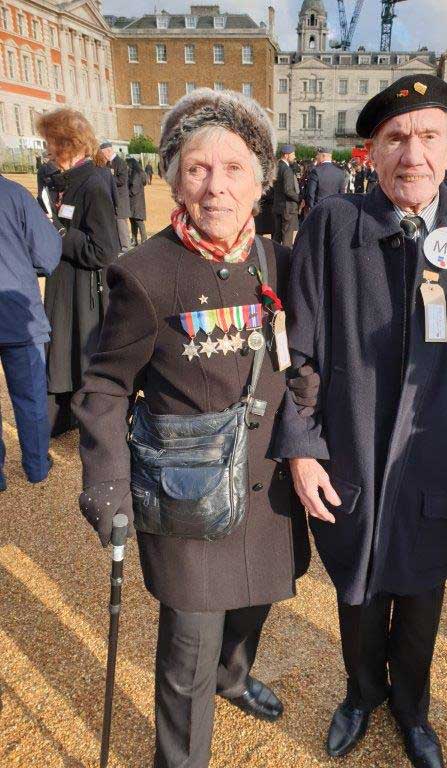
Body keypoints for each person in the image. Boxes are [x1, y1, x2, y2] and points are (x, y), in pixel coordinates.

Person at [274, 73, 447, 768]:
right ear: (371, 154)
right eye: (394, 138)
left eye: (426, 136)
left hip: (439, 465)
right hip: (350, 456)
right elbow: (301, 352)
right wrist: (300, 449)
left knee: (421, 595)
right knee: (356, 589)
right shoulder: (333, 226)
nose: (411, 153)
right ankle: (360, 694)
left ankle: (412, 708)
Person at [72, 88, 310, 768]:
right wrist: (108, 488)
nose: (215, 185)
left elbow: (304, 363)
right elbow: (106, 385)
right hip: (187, 491)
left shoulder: (279, 262)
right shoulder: (142, 275)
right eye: (197, 168)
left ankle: (234, 679)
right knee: (186, 653)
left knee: (261, 596)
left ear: (261, 182)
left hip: (266, 485)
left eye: (233, 168)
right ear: (173, 178)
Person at [36, 109, 121, 437]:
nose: (48, 151)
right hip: (63, 284)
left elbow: (104, 251)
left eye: (52, 143)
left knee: (80, 355)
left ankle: (90, 422)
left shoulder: (94, 182)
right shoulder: (65, 179)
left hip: (84, 291)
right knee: (60, 351)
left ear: (68, 144)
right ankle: (63, 419)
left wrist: (57, 230)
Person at [0, 176, 62, 492]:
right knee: (31, 398)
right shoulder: (14, 195)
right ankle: (37, 466)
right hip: (17, 310)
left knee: (31, 397)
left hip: (16, 311)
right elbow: (48, 253)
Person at [100, 141, 131, 251]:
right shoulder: (108, 163)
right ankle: (119, 247)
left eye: (103, 154)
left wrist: (108, 177)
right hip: (112, 199)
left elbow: (122, 180)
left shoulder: (120, 162)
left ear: (109, 151)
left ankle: (126, 248)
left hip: (121, 200)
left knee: (121, 224)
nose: (102, 156)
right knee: (115, 224)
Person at [272, 144, 300, 246]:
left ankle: (272, 258)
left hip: (278, 206)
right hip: (287, 209)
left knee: (277, 236)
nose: (295, 156)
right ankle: (284, 260)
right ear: (287, 155)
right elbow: (288, 190)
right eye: (293, 154)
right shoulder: (287, 170)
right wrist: (299, 199)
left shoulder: (276, 167)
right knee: (287, 239)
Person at [126, 156, 148, 245]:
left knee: (138, 221)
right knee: (133, 221)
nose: (126, 166)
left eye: (127, 164)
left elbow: (134, 189)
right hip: (136, 201)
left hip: (135, 201)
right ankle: (135, 239)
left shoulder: (136, 174)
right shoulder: (138, 173)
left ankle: (144, 240)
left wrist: (127, 193)